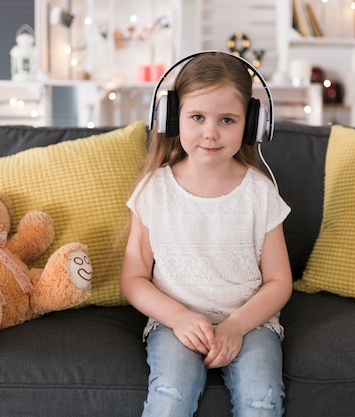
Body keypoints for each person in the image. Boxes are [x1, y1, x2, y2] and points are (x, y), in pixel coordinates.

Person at [120, 51, 293, 417]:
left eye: (227, 119)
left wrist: (235, 326)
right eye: (197, 117)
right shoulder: (155, 190)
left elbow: (279, 281)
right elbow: (134, 278)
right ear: (173, 118)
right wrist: (179, 317)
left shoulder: (260, 193)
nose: (210, 132)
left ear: (250, 125)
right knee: (170, 396)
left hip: (250, 323)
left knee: (262, 401)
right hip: (174, 324)